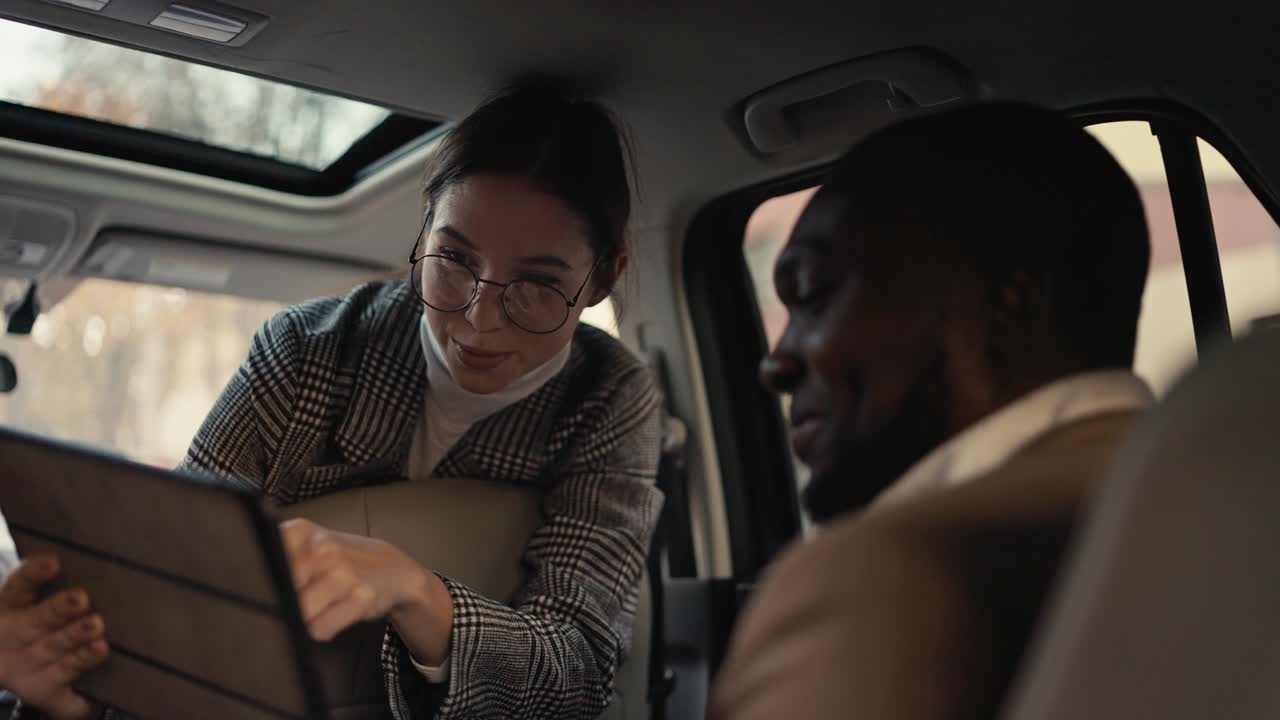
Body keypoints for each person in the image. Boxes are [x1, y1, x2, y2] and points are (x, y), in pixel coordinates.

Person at [0, 85, 663, 720]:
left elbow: (577, 673)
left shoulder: (610, 400)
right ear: (426, 227)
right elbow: (172, 588)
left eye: (538, 284)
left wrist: (414, 590)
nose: (478, 318)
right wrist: (67, 692)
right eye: (454, 260)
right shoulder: (307, 353)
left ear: (605, 276)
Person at [709, 103, 1154, 720]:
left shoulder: (881, 579)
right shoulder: (1217, 500)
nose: (775, 363)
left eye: (811, 293)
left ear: (1006, 306)